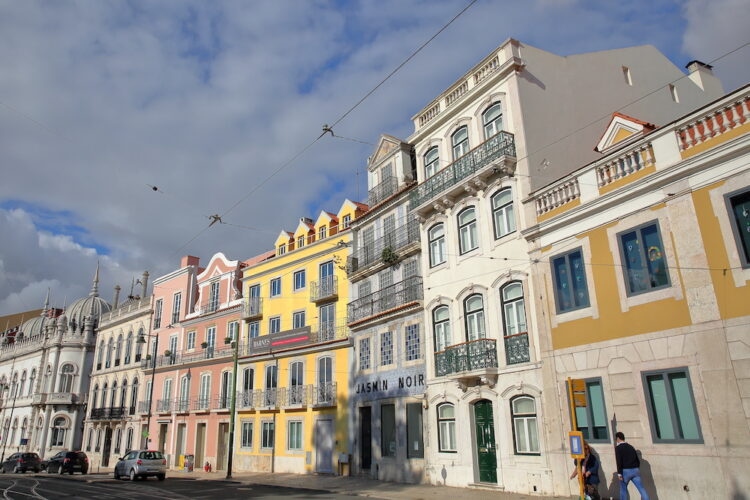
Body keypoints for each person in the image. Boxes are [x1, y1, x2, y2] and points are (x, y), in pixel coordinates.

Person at [615, 432, 650, 500]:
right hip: (635, 470)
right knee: (641, 489)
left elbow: (618, 461)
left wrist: (619, 473)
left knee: (623, 490)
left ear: (618, 438)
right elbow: (637, 460)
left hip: (625, 471)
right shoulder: (631, 447)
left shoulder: (618, 448)